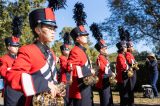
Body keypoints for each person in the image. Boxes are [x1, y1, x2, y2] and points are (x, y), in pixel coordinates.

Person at [0, 8, 62, 106]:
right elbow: (13, 75)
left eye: (54, 28)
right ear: (38, 30)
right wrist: (44, 84)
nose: (53, 31)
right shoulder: (28, 50)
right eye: (49, 28)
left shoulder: (52, 53)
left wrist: (56, 88)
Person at [67, 2, 95, 106]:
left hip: (85, 86)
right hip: (79, 90)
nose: (86, 37)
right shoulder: (75, 50)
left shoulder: (82, 50)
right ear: (78, 38)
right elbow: (72, 67)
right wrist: (89, 70)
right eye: (84, 35)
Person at [0, 16, 25, 106]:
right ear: (8, 47)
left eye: (17, 46)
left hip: (22, 89)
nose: (16, 48)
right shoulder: (4, 58)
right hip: (11, 90)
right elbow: (3, 71)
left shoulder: (20, 57)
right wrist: (11, 70)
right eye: (14, 46)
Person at [90, 23, 114, 106]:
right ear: (101, 50)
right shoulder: (100, 57)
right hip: (102, 81)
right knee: (105, 100)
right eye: (105, 48)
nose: (106, 49)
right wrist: (112, 73)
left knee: (109, 99)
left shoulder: (105, 57)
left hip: (106, 80)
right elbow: (103, 68)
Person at [116, 26, 132, 106]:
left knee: (125, 96)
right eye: (125, 46)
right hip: (122, 78)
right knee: (124, 96)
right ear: (122, 47)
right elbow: (123, 66)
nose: (126, 48)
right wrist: (130, 68)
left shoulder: (122, 55)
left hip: (124, 77)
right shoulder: (120, 56)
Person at [125, 30, 138, 105]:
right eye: (132, 46)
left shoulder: (131, 54)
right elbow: (130, 62)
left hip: (133, 72)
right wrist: (135, 63)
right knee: (130, 88)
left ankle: (131, 102)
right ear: (129, 47)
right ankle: (131, 103)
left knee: (132, 88)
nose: (133, 47)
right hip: (131, 73)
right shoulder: (127, 54)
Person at [59, 32, 71, 106]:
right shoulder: (62, 58)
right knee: (65, 98)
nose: (68, 51)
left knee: (69, 97)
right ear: (63, 50)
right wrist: (70, 62)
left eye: (68, 49)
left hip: (69, 79)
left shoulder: (68, 58)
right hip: (64, 80)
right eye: (66, 49)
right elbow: (66, 68)